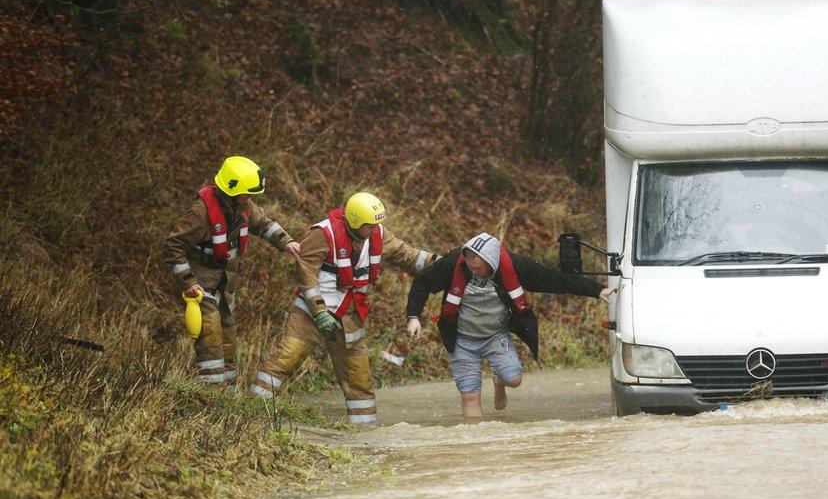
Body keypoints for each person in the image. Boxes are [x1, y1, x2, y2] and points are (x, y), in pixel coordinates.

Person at [249, 192, 438, 425]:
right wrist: (319, 312)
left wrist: (441, 262)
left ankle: (364, 433)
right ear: (356, 221)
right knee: (285, 359)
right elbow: (305, 273)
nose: (375, 229)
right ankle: (252, 414)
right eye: (370, 225)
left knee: (358, 379)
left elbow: (407, 254)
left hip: (350, 317)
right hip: (310, 313)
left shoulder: (377, 233)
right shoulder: (322, 234)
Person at [405, 233, 615, 419]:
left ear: (492, 263)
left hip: (495, 336)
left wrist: (597, 290)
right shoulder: (454, 263)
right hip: (461, 339)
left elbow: (554, 280)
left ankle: (499, 381)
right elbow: (422, 282)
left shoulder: (516, 266)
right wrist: (413, 316)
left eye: (479, 268)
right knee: (469, 396)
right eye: (470, 267)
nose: (474, 272)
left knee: (514, 379)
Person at [163, 156, 300, 389]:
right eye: (247, 194)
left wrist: (286, 242)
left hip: (225, 283)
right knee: (210, 334)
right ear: (231, 191)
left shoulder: (242, 205)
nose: (250, 199)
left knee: (227, 334)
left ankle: (228, 391)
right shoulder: (200, 213)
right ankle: (211, 392)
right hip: (200, 282)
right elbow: (173, 246)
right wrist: (188, 282)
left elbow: (264, 224)